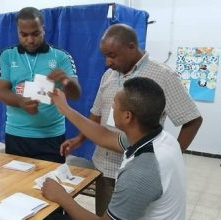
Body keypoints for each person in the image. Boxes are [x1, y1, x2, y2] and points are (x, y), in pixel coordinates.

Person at [60, 23, 202, 215]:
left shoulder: (164, 76)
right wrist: (79, 136)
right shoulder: (109, 76)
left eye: (112, 55)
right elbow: (101, 126)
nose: (107, 62)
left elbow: (192, 119)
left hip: (134, 171)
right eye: (105, 56)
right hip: (105, 166)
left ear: (131, 47)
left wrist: (167, 160)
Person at [43, 77, 186, 220]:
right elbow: (104, 137)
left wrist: (62, 197)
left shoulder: (138, 173)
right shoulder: (163, 139)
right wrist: (65, 109)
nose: (112, 106)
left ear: (127, 116)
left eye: (115, 102)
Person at [0, 7, 81, 163]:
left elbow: (76, 94)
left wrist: (66, 80)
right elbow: (0, 91)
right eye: (24, 35)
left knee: (50, 182)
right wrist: (21, 101)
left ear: (43, 29)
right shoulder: (6, 56)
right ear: (17, 31)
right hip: (17, 134)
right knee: (16, 183)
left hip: (52, 135)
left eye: (35, 33)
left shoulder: (61, 56)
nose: (30, 40)